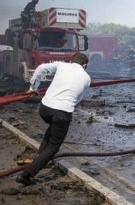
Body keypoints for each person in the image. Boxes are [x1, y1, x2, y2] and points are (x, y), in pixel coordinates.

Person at [16, 53, 91, 186]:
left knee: (52, 130)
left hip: (44, 108)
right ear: (84, 65)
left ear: (71, 61)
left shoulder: (61, 65)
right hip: (62, 113)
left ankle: (40, 159)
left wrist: (32, 88)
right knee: (53, 147)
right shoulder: (87, 78)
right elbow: (79, 99)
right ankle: (25, 175)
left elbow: (40, 68)